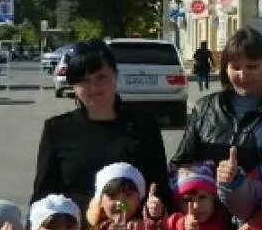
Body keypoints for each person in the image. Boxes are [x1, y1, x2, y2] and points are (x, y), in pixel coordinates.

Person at [33, 39, 174, 214]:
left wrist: (147, 214)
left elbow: (158, 187)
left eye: (101, 77)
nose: (93, 87)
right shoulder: (57, 129)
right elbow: (43, 196)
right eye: (84, 80)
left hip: (132, 228)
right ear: (74, 86)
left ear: (115, 75)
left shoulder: (144, 125)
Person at [172, 27, 262, 178]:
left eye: (252, 66)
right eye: (235, 67)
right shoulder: (205, 108)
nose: (243, 75)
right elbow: (180, 163)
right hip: (210, 199)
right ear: (225, 69)